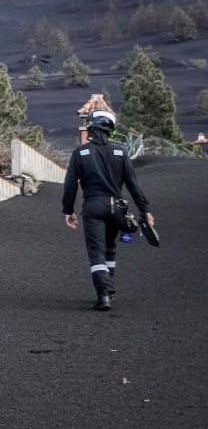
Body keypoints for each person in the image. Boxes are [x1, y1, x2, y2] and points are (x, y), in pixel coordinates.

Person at [62, 109, 153, 311]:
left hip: (93, 205)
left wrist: (68, 210)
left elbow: (70, 184)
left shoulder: (80, 153)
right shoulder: (121, 151)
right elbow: (133, 185)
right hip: (117, 207)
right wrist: (144, 209)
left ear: (91, 128)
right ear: (110, 128)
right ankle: (108, 288)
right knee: (110, 248)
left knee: (96, 251)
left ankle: (103, 294)